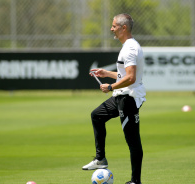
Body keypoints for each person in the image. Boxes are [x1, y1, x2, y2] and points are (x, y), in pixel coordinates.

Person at [82, 13, 146, 184]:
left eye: (114, 26)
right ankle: (100, 159)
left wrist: (110, 86)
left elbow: (131, 77)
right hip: (121, 96)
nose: (111, 29)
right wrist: (107, 74)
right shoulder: (127, 46)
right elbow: (124, 74)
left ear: (123, 28)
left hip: (129, 99)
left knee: (132, 140)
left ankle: (135, 181)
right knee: (97, 115)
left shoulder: (130, 48)